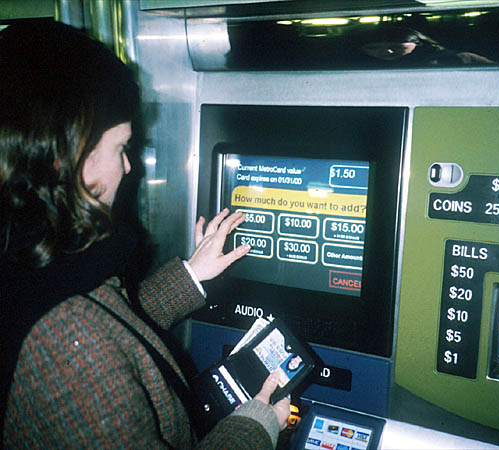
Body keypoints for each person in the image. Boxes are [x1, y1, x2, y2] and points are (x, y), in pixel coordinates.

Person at [0, 20, 289, 449]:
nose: (128, 167)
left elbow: (109, 321)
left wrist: (193, 274)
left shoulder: (28, 255)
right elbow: (87, 336)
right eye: (120, 148)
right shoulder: (68, 345)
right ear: (67, 155)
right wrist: (258, 423)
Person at [358, 26, 494, 66]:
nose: (387, 51)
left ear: (418, 44)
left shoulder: (458, 58)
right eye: (373, 48)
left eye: (398, 47)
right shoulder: (357, 68)